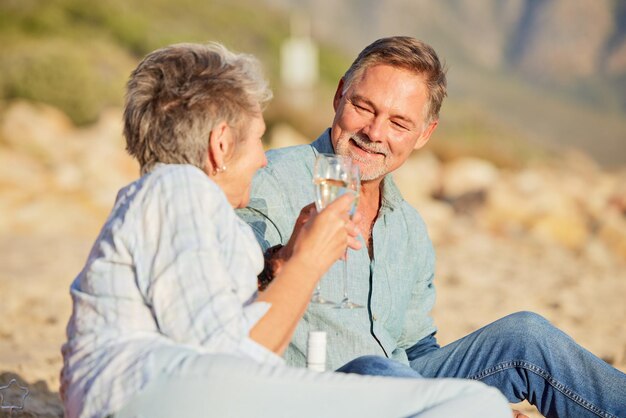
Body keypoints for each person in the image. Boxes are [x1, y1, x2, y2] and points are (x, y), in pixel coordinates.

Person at [59, 42, 512, 418]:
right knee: (473, 404)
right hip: (144, 393)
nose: (261, 159)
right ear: (221, 145)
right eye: (257, 138)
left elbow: (218, 337)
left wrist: (285, 260)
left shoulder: (192, 208)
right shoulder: (178, 189)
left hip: (172, 390)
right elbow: (232, 360)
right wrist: (309, 263)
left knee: (471, 402)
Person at [237, 36, 626, 418]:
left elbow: (416, 347)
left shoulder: (407, 225)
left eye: (399, 123)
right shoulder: (268, 183)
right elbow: (226, 308)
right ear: (339, 95)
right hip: (322, 394)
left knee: (526, 337)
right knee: (377, 370)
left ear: (425, 134)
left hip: (400, 389)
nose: (375, 133)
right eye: (364, 107)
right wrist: (284, 261)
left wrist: (466, 400)